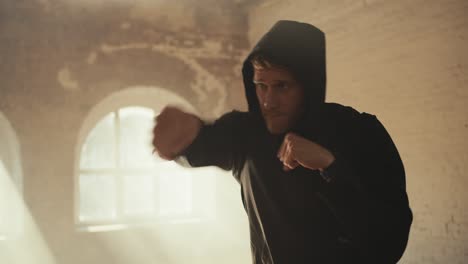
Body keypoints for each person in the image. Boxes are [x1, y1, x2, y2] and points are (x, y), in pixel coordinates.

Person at [152, 20, 412, 264]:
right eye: (260, 85)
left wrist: (330, 166)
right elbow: (201, 147)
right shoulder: (246, 134)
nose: (268, 101)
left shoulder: (360, 133)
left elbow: (388, 245)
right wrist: (183, 139)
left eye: (282, 86)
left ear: (308, 84)